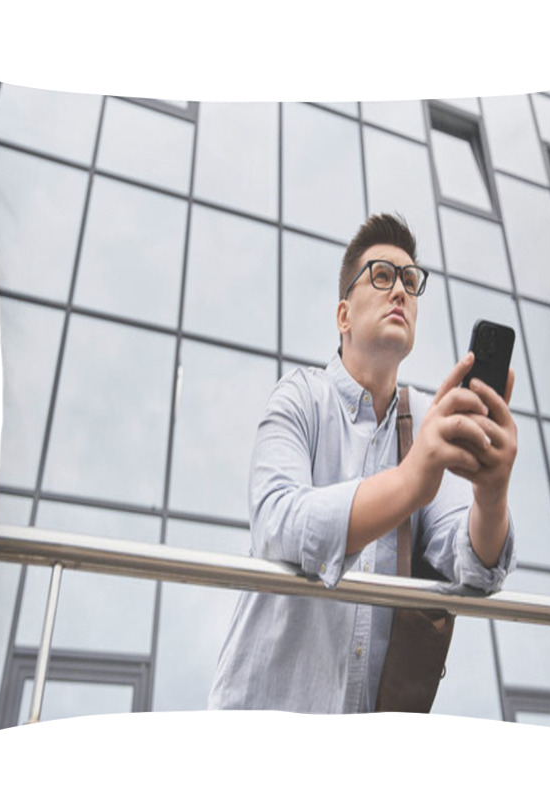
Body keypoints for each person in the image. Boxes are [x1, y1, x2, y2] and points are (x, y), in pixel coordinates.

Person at [208, 213, 517, 713]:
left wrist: (493, 492)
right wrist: (412, 480)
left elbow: (475, 569)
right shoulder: (299, 398)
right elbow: (279, 523)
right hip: (262, 723)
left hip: (369, 745)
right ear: (343, 316)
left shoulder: (426, 426)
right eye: (381, 275)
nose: (400, 291)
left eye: (411, 282)